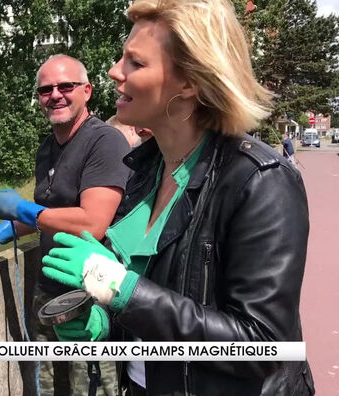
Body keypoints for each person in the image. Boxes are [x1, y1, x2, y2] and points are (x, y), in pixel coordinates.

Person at [40, 0, 314, 395]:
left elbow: (261, 347)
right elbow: (155, 299)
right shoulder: (144, 170)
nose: (115, 71)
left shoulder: (261, 181)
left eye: (135, 62)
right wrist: (103, 319)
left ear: (189, 82)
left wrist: (118, 288)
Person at [0, 54, 131, 395]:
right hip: (48, 288)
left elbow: (93, 223)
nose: (55, 95)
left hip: (90, 295)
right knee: (45, 383)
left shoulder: (104, 142)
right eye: (46, 89)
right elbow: (47, 214)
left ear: (86, 91)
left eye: (66, 86)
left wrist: (25, 209)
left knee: (89, 385)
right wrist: (3, 232)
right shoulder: (46, 149)